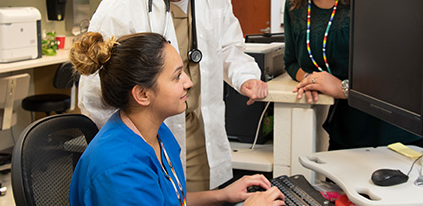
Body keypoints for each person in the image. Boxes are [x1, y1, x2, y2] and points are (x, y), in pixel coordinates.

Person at [77, 0, 268, 191]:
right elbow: (96, 101)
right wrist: (126, 160)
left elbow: (228, 46)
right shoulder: (118, 11)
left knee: (211, 195)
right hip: (149, 147)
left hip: (206, 132)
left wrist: (245, 76)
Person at [69, 32, 284, 206]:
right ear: (142, 94)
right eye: (177, 76)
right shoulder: (120, 170)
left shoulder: (156, 132)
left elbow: (169, 199)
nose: (188, 82)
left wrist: (223, 195)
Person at [283, 0, 423, 150]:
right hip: (347, 126)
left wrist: (342, 88)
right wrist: (312, 80)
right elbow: (291, 62)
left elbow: (403, 74)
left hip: (395, 127)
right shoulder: (296, 3)